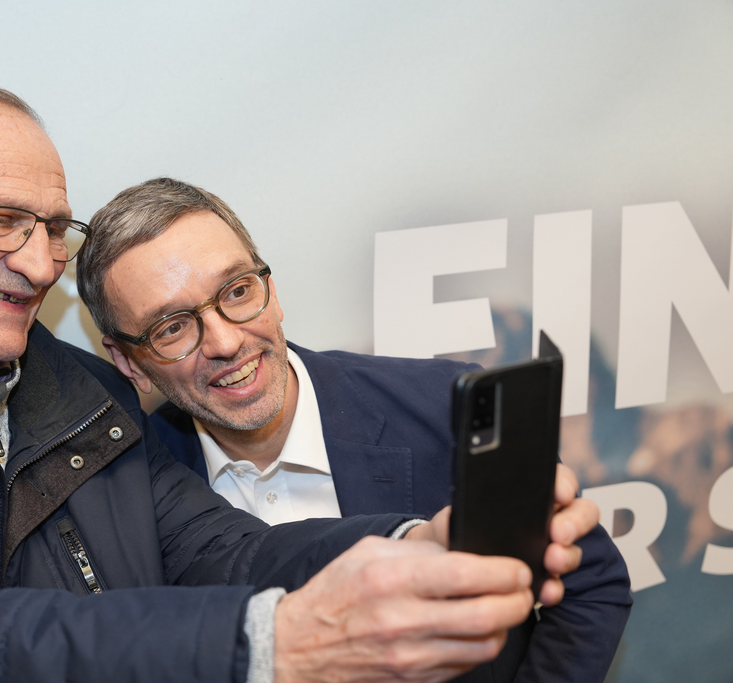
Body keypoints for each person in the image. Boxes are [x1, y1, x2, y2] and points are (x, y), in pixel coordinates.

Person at [0, 79, 591, 683]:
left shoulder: (83, 391)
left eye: (53, 228)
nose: (39, 262)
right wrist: (273, 644)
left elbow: (227, 551)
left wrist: (410, 545)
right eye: (3, 219)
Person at [77, 177, 633, 683]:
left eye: (238, 291)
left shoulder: (442, 405)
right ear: (128, 363)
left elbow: (592, 586)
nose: (225, 342)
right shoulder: (128, 491)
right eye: (172, 327)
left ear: (273, 291)